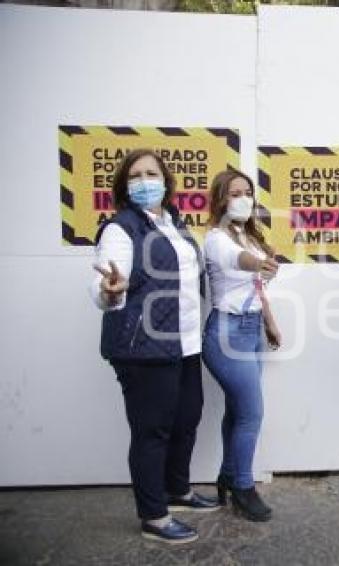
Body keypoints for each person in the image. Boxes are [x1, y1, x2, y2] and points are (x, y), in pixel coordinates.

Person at [90, 148, 218, 544]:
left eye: (152, 173)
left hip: (183, 343)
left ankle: (177, 490)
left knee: (187, 417)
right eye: (136, 175)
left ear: (166, 181)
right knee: (152, 431)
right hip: (142, 347)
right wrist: (109, 292)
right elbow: (104, 284)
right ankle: (154, 516)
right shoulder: (120, 228)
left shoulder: (174, 225)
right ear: (125, 186)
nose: (145, 181)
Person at [202, 169, 281, 522]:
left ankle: (227, 476)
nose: (243, 198)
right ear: (221, 200)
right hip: (225, 333)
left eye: (247, 192)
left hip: (250, 330)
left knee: (237, 411)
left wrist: (270, 321)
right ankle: (243, 486)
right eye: (235, 193)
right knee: (252, 413)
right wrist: (260, 261)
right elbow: (240, 261)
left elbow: (255, 285)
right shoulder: (217, 239)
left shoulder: (248, 237)